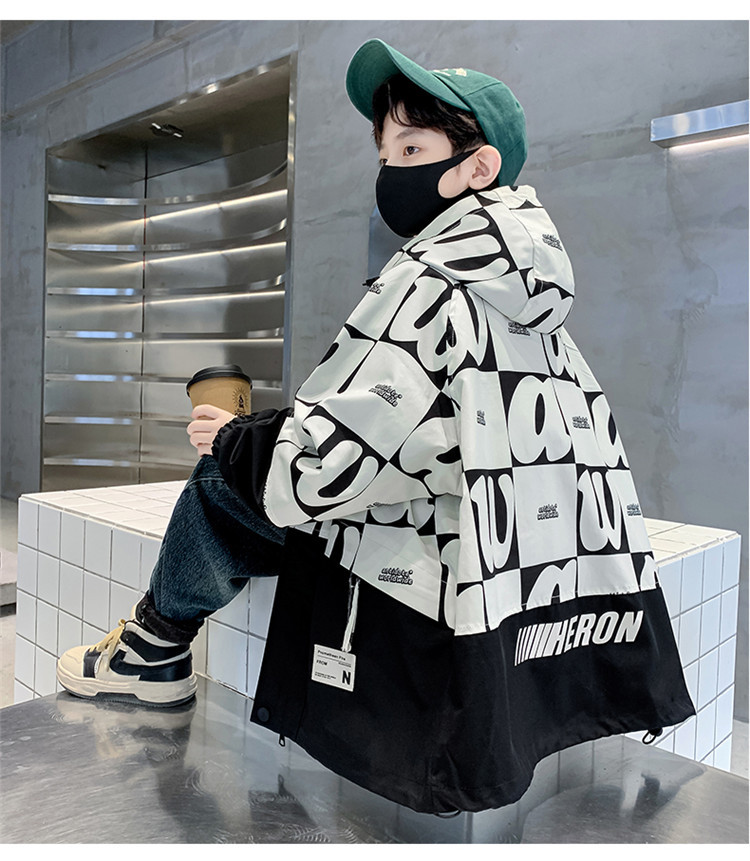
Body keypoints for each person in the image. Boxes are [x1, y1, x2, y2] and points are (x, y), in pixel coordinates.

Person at [56, 39, 695, 813]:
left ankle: (152, 649)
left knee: (224, 482)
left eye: (412, 149)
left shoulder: (429, 279)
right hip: (530, 590)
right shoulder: (529, 295)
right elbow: (432, 421)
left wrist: (232, 439)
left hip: (426, 592)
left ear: (478, 168)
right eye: (386, 152)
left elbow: (314, 475)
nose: (390, 171)